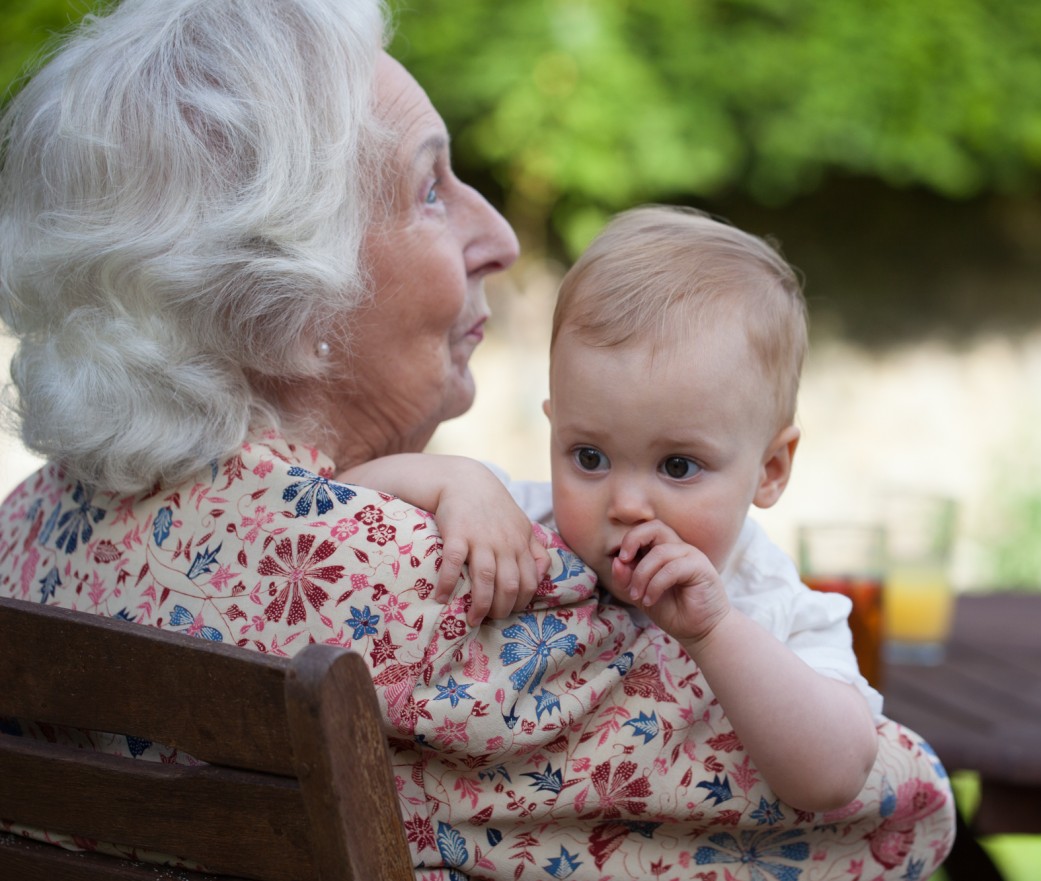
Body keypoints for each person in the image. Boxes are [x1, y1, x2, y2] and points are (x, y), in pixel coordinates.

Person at [0, 1, 954, 879]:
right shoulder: (425, 591)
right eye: (430, 189)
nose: (498, 232)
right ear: (284, 295)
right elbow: (894, 812)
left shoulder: (28, 534)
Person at [342, 205, 885, 813]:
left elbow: (836, 776)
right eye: (589, 456)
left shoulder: (775, 608)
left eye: (678, 466)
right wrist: (452, 481)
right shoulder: (517, 521)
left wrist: (716, 633)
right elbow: (336, 499)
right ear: (554, 432)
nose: (625, 504)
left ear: (770, 469)